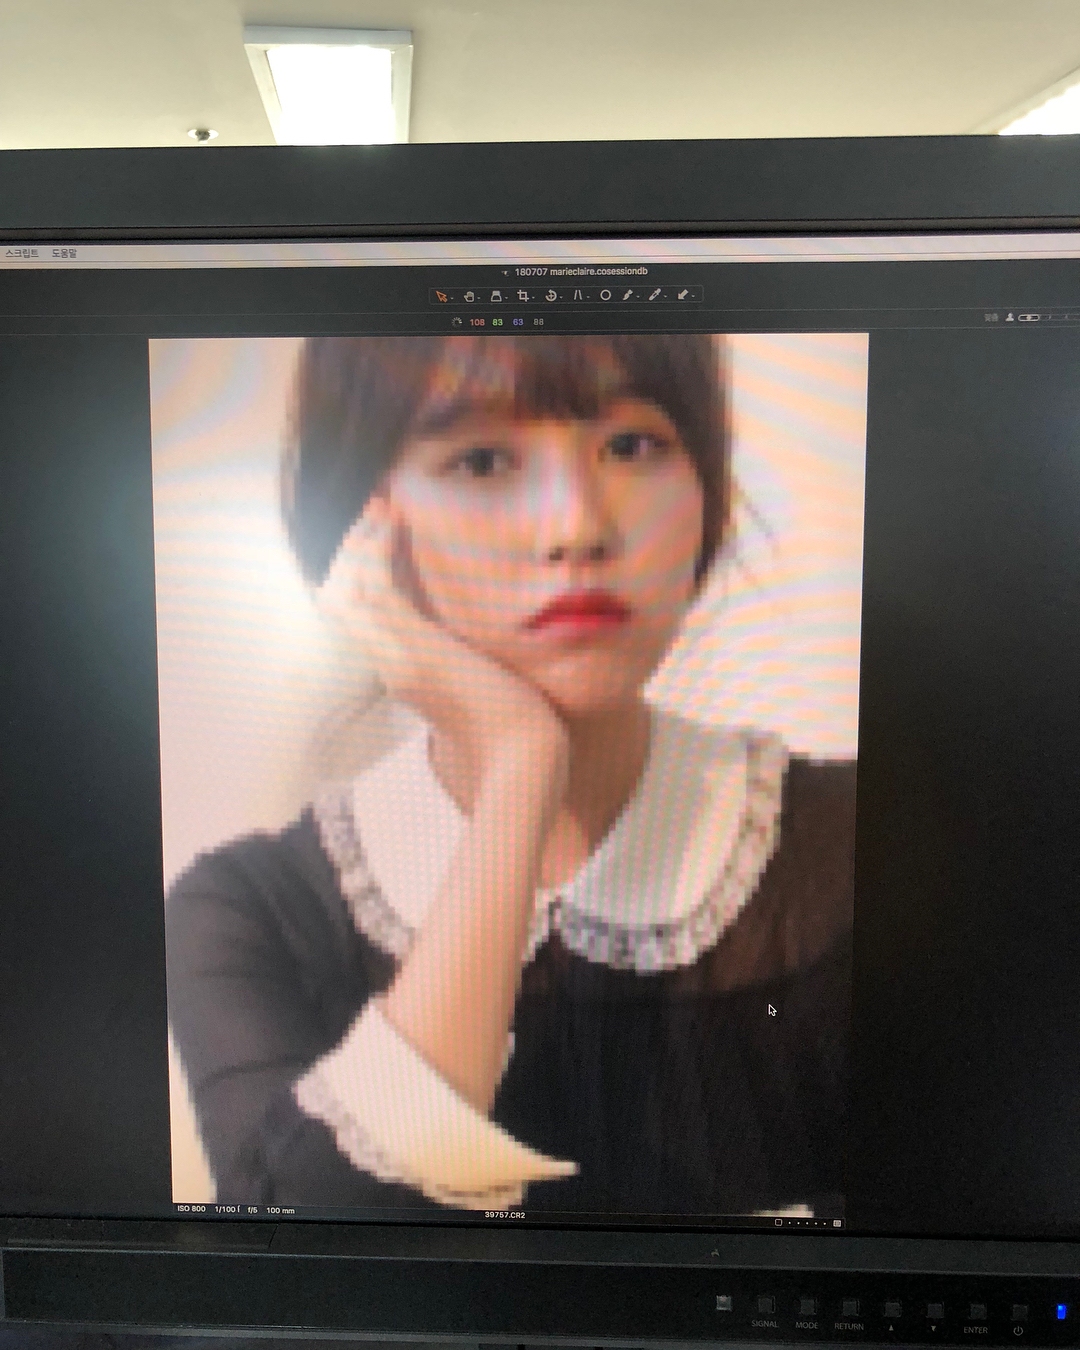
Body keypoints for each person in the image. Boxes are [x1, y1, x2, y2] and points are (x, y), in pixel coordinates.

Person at [166, 333, 855, 1216]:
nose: (577, 528)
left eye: (632, 445)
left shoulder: (861, 841)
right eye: (483, 461)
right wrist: (519, 771)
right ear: (366, 526)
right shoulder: (246, 914)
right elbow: (316, 1265)